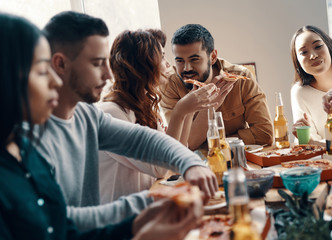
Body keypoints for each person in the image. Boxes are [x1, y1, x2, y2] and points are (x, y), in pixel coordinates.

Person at [0, 12, 201, 240]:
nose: (54, 81)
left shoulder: (34, 144)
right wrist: (143, 214)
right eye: (41, 71)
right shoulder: (34, 143)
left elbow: (60, 226)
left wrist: (141, 215)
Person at [97, 29, 219, 203]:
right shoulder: (110, 114)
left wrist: (189, 109)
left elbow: (178, 155)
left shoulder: (143, 106)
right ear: (142, 65)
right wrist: (179, 111)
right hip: (119, 220)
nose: (168, 64)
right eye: (162, 57)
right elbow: (161, 167)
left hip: (146, 208)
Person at [160, 24, 273, 150]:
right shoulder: (171, 86)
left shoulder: (240, 78)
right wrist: (210, 106)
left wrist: (213, 144)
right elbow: (182, 146)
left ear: (212, 57)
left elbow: (265, 134)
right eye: (180, 61)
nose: (187, 68)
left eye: (194, 59)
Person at [290, 25, 332, 143]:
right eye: (304, 52)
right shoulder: (300, 92)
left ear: (329, 46)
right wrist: (306, 140)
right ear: (297, 60)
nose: (313, 55)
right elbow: (310, 146)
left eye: (318, 46)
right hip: (328, 160)